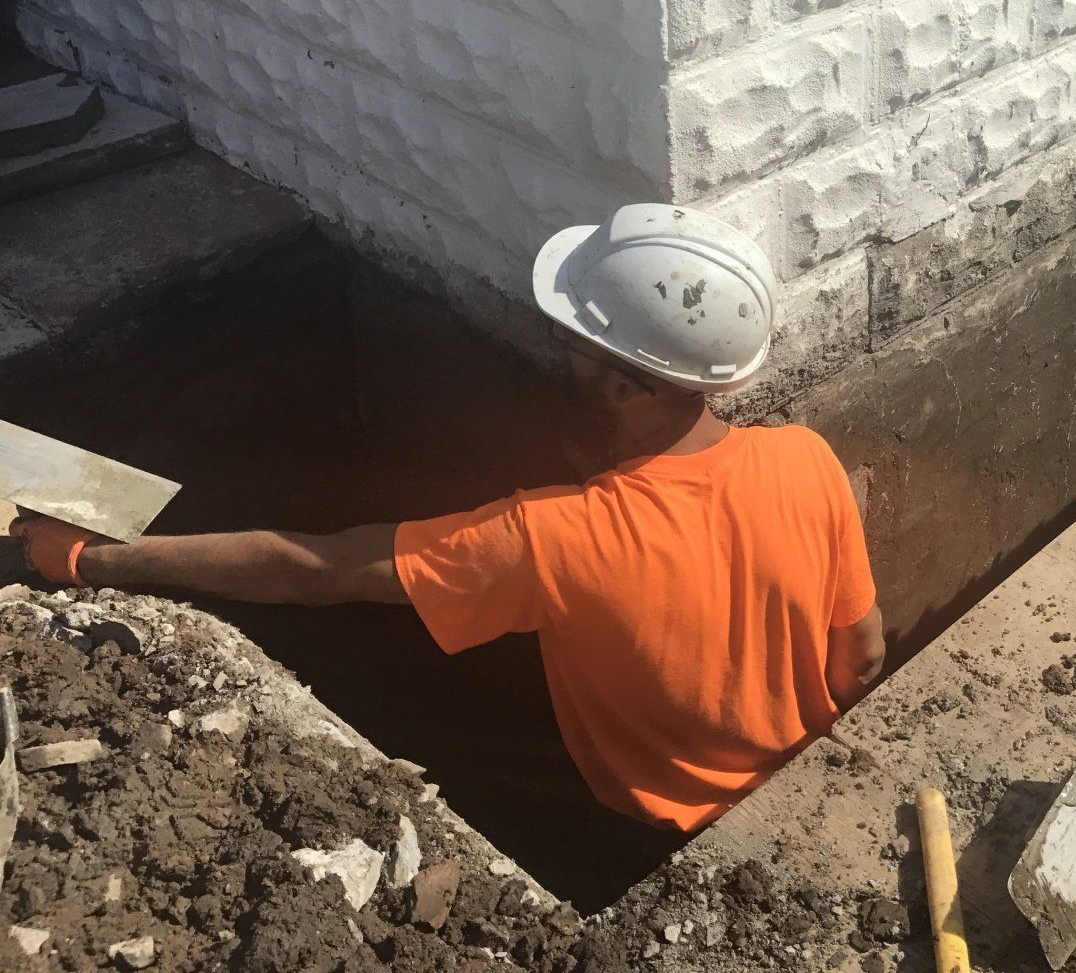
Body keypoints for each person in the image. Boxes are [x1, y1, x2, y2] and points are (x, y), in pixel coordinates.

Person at [7, 203, 886, 845]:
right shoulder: (805, 457)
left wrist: (90, 559)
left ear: (628, 387)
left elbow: (317, 569)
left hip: (650, 824)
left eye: (573, 348)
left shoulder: (555, 538)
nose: (558, 358)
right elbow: (863, 659)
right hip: (793, 784)